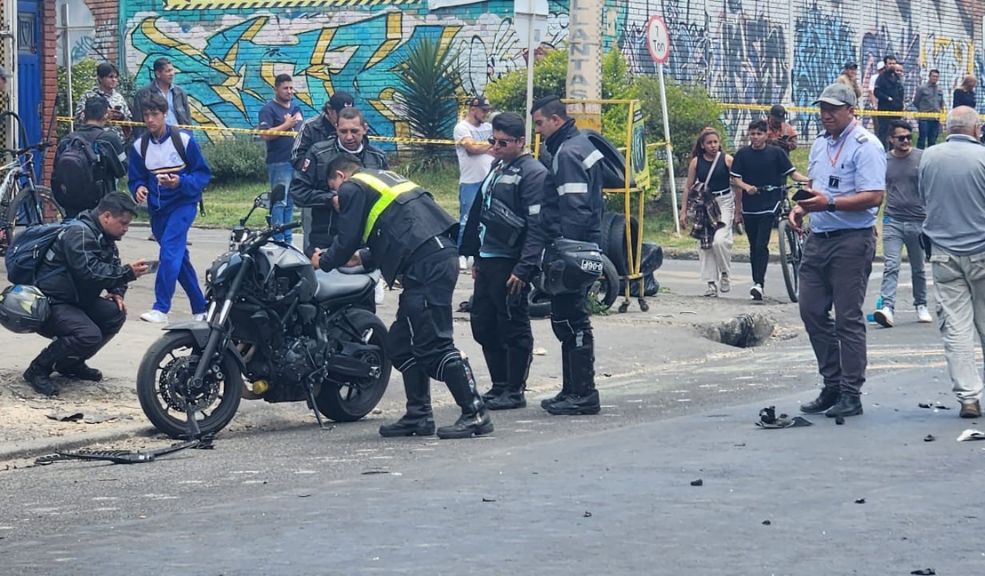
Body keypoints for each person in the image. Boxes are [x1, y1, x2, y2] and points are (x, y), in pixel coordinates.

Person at [310, 155, 493, 439]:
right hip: (433, 256)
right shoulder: (383, 179)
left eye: (334, 190)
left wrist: (324, 261)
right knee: (401, 342)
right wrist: (364, 257)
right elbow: (405, 229)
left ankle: (475, 411)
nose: (338, 198)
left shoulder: (352, 186)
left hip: (426, 266)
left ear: (339, 176)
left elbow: (346, 238)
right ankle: (419, 415)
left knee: (434, 343)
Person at [790, 83, 885, 419]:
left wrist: (828, 202)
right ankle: (832, 381)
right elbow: (816, 186)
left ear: (851, 110)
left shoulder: (866, 146)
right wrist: (803, 208)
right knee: (811, 310)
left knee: (847, 317)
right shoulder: (819, 144)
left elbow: (874, 196)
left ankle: (850, 392)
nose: (825, 114)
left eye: (833, 108)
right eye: (822, 108)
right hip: (820, 236)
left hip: (852, 238)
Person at [459, 112, 547, 410]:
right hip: (488, 259)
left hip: (511, 261)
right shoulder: (497, 166)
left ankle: (514, 389)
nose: (495, 147)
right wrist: (476, 257)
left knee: (513, 324)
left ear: (520, 142)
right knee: (483, 323)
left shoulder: (532, 172)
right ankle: (498, 385)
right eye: (492, 141)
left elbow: (537, 226)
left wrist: (524, 268)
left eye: (502, 142)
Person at [22, 193, 151, 396]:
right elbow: (89, 273)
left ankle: (70, 363)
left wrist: (117, 292)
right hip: (52, 302)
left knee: (115, 313)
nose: (126, 229)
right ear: (106, 216)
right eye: (123, 223)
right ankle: (38, 369)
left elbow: (112, 266)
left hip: (76, 300)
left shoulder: (104, 237)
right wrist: (128, 273)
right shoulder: (79, 233)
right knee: (87, 334)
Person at [530, 95, 604, 416]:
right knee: (570, 319)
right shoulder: (580, 144)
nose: (538, 131)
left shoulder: (569, 153)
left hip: (573, 247)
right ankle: (573, 388)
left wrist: (566, 251)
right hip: (583, 245)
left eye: (539, 123)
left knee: (570, 320)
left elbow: (574, 207)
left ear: (556, 120)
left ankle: (582, 392)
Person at [918, 106, 985, 418]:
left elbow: (924, 198)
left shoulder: (929, 156)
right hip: (981, 250)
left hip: (943, 252)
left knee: (956, 328)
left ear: (947, 129)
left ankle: (969, 397)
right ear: (976, 130)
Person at [127, 91, 211, 324]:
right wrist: (139, 189)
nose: (150, 120)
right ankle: (201, 307)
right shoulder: (139, 146)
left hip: (183, 204)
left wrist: (180, 182)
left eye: (155, 114)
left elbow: (203, 174)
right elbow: (135, 178)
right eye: (146, 115)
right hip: (157, 209)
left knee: (169, 253)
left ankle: (160, 307)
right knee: (179, 258)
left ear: (165, 115)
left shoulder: (183, 141)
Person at [291, 106, 388, 257]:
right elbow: (298, 193)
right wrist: (330, 199)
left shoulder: (378, 158)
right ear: (336, 128)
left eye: (354, 131)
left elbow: (387, 198)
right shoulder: (318, 153)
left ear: (365, 129)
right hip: (326, 240)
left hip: (366, 243)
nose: (349, 137)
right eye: (343, 131)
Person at [731, 119, 809, 301]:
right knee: (753, 246)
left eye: (759, 134)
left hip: (770, 202)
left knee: (761, 243)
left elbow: (792, 173)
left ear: (766, 135)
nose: (755, 137)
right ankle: (757, 282)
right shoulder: (742, 155)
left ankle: (759, 283)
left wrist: (808, 180)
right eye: (753, 134)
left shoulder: (776, 154)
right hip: (750, 206)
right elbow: (735, 179)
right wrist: (746, 187)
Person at [872, 120, 930, 328]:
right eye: (900, 138)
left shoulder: (922, 157)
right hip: (893, 219)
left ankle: (921, 303)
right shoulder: (884, 161)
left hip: (918, 220)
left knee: (918, 268)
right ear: (891, 140)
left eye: (908, 137)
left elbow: (931, 187)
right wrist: (872, 221)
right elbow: (877, 192)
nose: (905, 141)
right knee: (891, 265)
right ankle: (887, 307)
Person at [292, 91, 354, 252]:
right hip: (317, 190)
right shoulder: (311, 127)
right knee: (312, 233)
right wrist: (322, 171)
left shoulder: (352, 128)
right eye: (341, 114)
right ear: (330, 110)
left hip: (347, 191)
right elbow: (296, 157)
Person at [680, 127, 736, 298]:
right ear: (702, 145)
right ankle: (711, 283)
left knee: (719, 240)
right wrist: (683, 211)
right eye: (709, 143)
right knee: (705, 244)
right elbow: (688, 187)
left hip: (725, 202)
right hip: (705, 204)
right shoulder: (696, 162)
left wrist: (739, 210)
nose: (713, 146)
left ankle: (725, 274)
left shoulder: (727, 160)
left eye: (715, 142)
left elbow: (737, 183)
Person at [52, 96, 127, 219]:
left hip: (71, 203)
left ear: (84, 114)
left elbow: (56, 174)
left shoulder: (68, 140)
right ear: (105, 115)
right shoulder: (109, 139)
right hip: (100, 206)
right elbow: (122, 170)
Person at [259, 73, 302, 244]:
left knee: (291, 202)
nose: (289, 91)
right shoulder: (268, 109)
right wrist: (286, 125)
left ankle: (288, 238)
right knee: (279, 202)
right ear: (276, 89)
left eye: (291, 88)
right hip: (279, 162)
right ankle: (277, 237)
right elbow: (265, 134)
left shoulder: (296, 108)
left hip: (295, 160)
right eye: (285, 88)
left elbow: (299, 129)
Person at [453, 96, 494, 270]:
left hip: (488, 178)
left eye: (487, 110)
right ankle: (461, 253)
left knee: (488, 217)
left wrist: (488, 145)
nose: (486, 113)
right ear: (473, 109)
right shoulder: (462, 127)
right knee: (466, 219)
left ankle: (481, 251)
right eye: (483, 110)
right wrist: (490, 144)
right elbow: (471, 149)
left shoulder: (489, 127)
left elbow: (492, 147)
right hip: (470, 180)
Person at [131, 58, 192, 141]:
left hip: (179, 138)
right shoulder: (143, 94)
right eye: (168, 71)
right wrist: (143, 143)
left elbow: (187, 120)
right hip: (155, 139)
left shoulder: (180, 93)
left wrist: (189, 137)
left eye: (172, 70)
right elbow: (138, 124)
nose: (172, 74)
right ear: (158, 74)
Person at [74, 62, 131, 141]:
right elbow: (78, 120)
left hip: (116, 143)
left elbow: (129, 121)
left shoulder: (119, 98)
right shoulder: (88, 96)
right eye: (110, 77)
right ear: (100, 78)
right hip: (94, 141)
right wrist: (104, 116)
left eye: (116, 77)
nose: (114, 80)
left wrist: (121, 117)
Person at [874, 56, 904, 145]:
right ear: (886, 65)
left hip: (897, 110)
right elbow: (876, 92)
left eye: (894, 63)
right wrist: (887, 98)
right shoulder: (881, 77)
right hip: (885, 110)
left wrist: (901, 104)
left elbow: (900, 92)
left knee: (895, 132)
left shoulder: (897, 77)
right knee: (883, 132)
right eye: (890, 63)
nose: (892, 65)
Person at [912, 69, 943, 149]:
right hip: (924, 118)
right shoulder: (922, 88)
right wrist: (922, 110)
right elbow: (916, 101)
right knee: (922, 138)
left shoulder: (939, 89)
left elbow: (941, 103)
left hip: (935, 118)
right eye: (933, 76)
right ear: (929, 76)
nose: (935, 78)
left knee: (932, 140)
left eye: (937, 77)